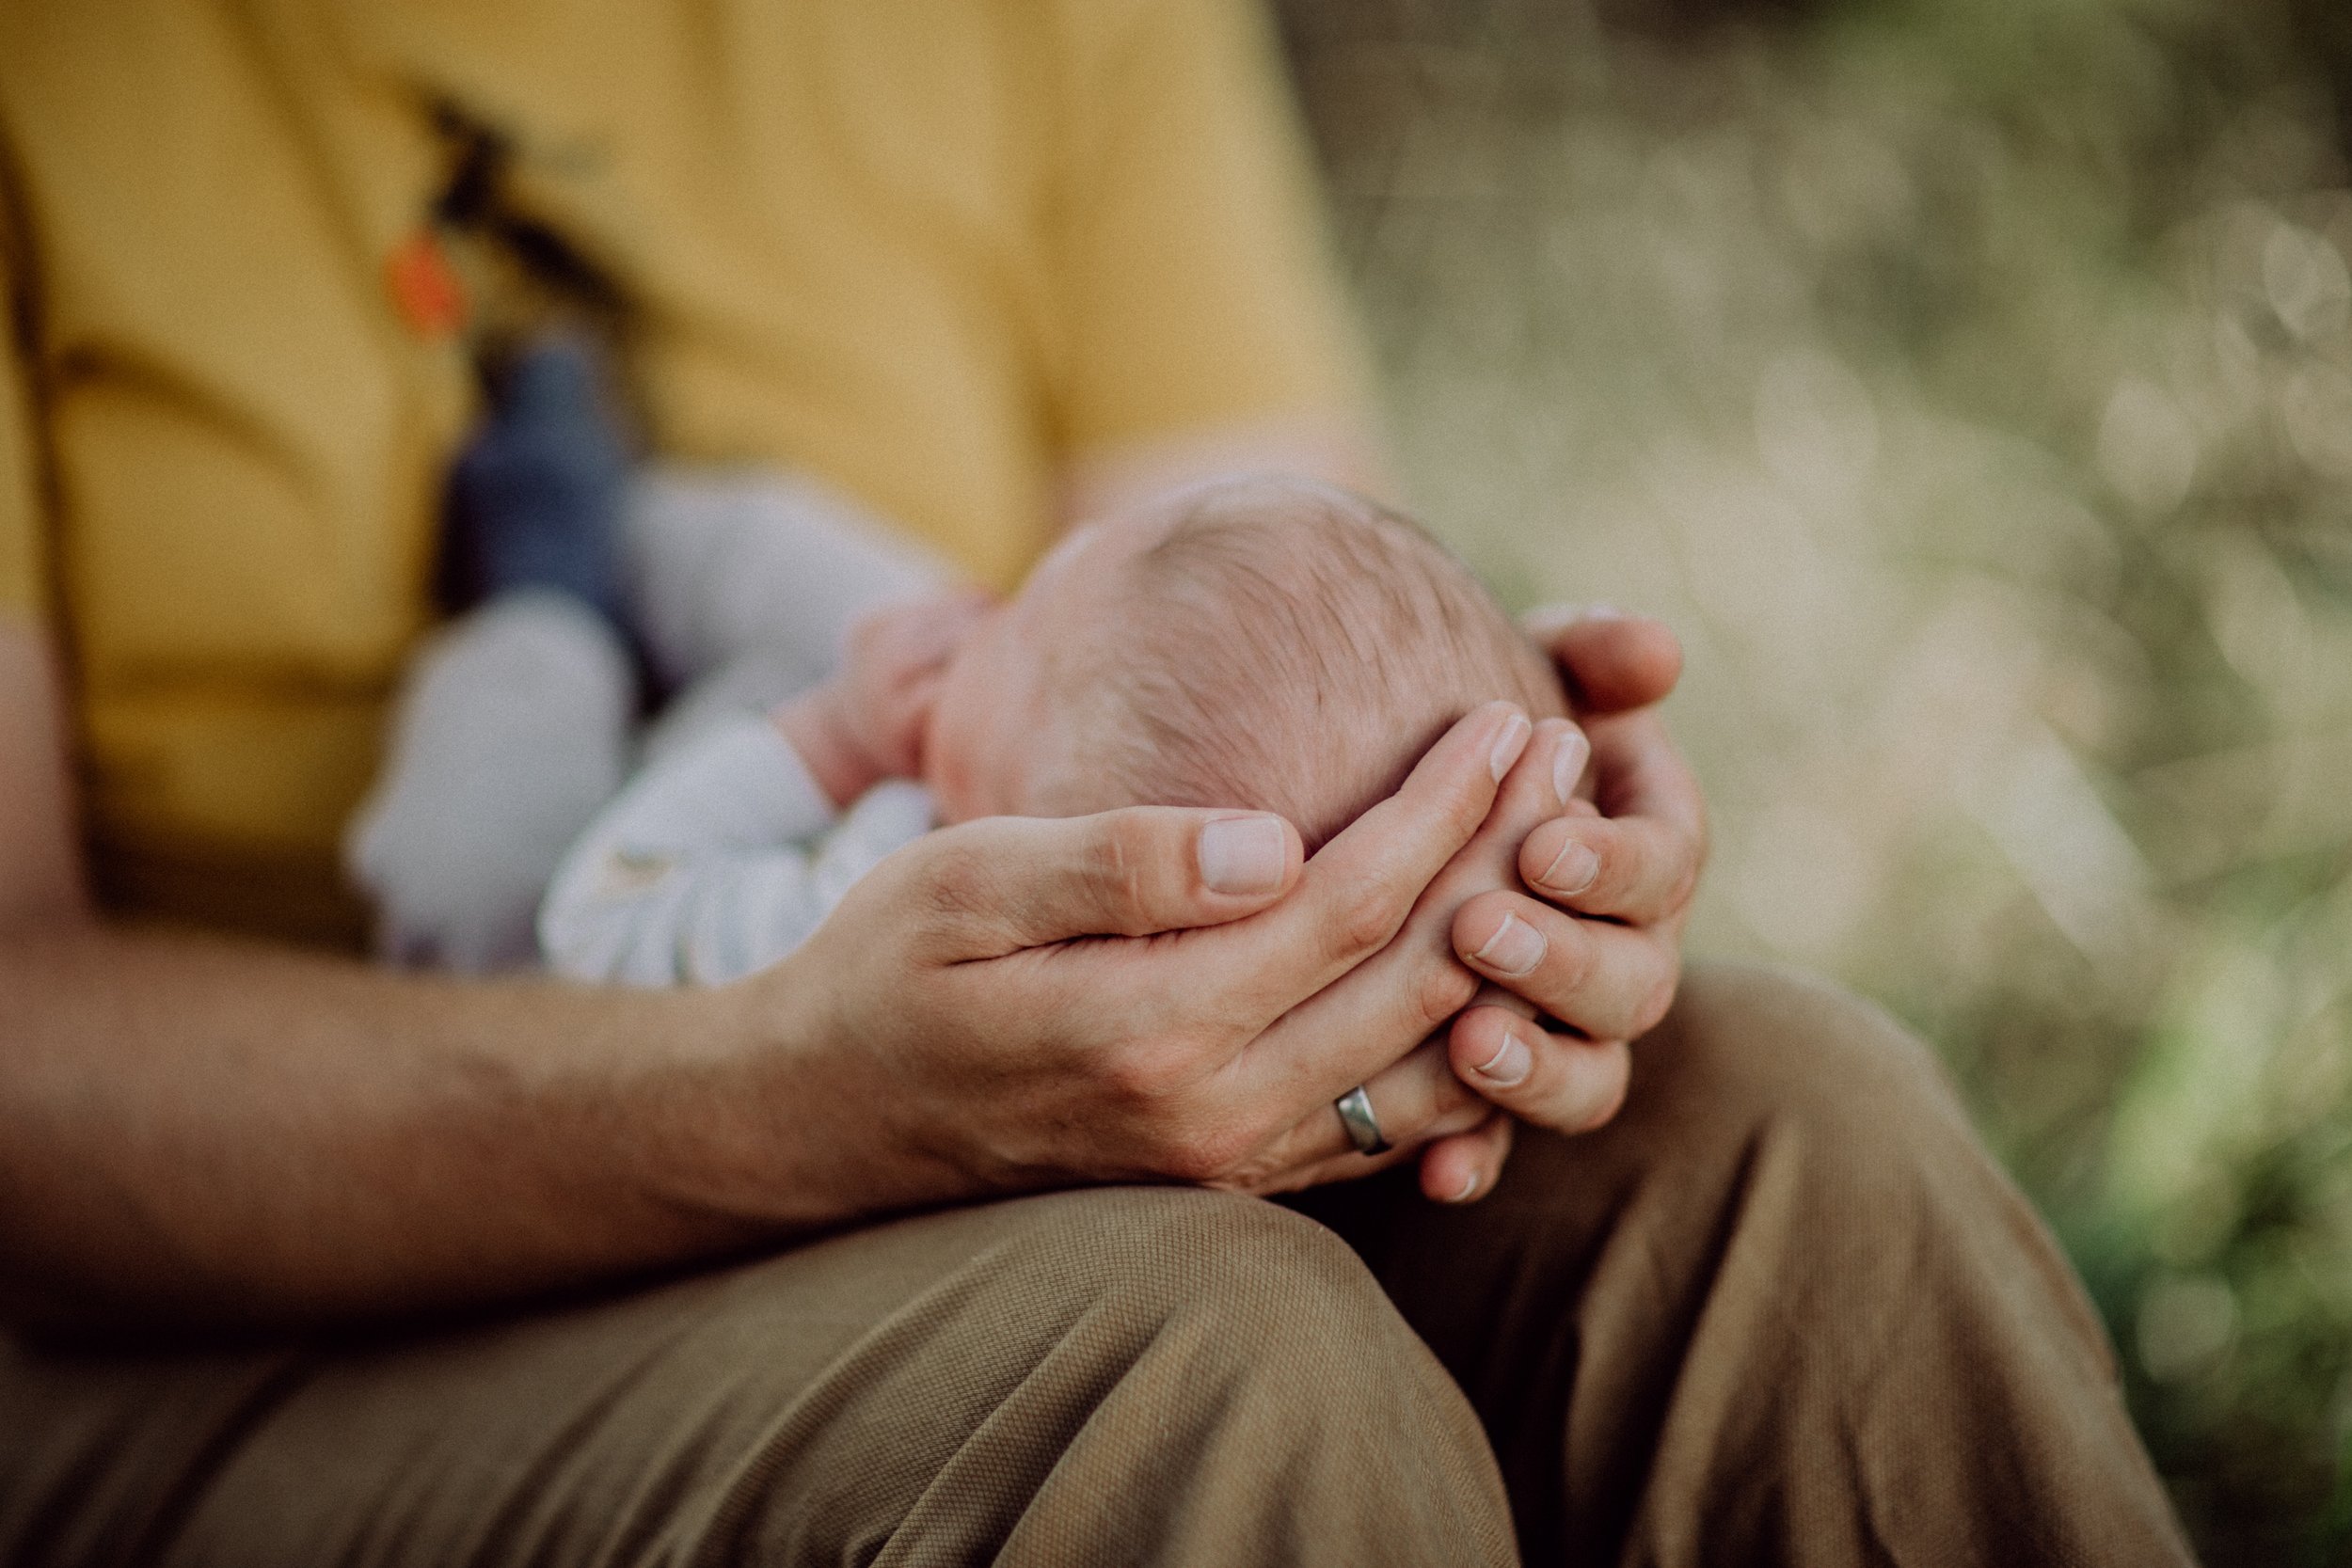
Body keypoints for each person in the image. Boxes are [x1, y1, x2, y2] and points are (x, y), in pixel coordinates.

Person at [0, 2, 2197, 1564]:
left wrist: (1493, 881)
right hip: (210, 1300)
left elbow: (1285, 609)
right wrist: (793, 1087)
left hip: (951, 1098)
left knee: (1785, 1115)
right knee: (1197, 1371)